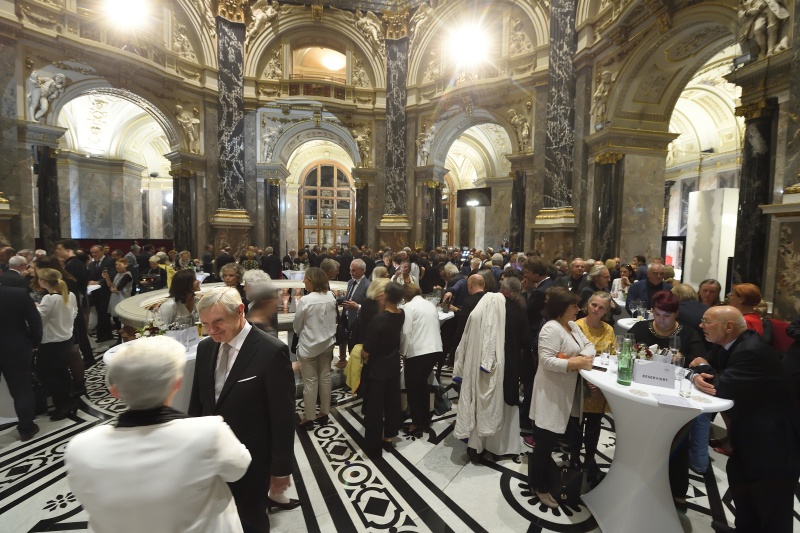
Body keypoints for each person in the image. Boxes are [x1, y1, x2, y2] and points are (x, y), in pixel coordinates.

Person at [65, 336, 251, 532]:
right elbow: (237, 470)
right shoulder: (208, 433)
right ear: (177, 384)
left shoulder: (80, 448)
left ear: (114, 391)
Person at [190, 287, 298, 532]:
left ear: (240, 311)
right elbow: (199, 402)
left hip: (251, 460)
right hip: (211, 457)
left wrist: (280, 469)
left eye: (218, 321)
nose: (212, 330)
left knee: (250, 520)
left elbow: (282, 417)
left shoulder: (271, 352)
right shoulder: (205, 348)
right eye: (206, 324)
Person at [693, 306, 800, 532]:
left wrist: (700, 369)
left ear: (728, 327)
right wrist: (698, 372)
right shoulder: (727, 344)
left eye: (706, 321)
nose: (701, 325)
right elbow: (701, 364)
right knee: (745, 497)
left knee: (771, 511)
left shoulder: (750, 350)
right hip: (750, 436)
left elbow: (719, 385)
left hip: (774, 445)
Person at [627, 290, 705, 510]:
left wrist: (684, 359)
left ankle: (678, 493)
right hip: (641, 393)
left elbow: (699, 360)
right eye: (658, 314)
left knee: (676, 441)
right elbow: (626, 349)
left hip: (673, 396)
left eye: (667, 316)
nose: (661, 320)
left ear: (676, 314)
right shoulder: (642, 328)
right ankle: (637, 483)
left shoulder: (687, 334)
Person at [528, 287, 595, 508]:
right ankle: (539, 486)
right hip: (550, 393)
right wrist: (574, 363)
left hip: (565, 392)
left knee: (552, 440)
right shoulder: (551, 329)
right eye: (574, 305)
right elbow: (546, 360)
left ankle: (543, 478)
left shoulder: (573, 326)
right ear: (563, 308)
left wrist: (577, 358)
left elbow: (589, 347)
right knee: (544, 443)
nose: (578, 309)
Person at [572, 291, 615, 485]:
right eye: (594, 305)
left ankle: (589, 460)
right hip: (577, 383)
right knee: (575, 426)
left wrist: (598, 381)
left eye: (601, 307)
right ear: (587, 305)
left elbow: (611, 358)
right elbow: (571, 355)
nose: (596, 310)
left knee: (594, 426)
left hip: (599, 387)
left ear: (607, 310)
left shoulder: (609, 330)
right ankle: (573, 459)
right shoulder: (576, 326)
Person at [360, 281, 405, 458]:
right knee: (392, 402)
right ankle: (389, 436)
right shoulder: (401, 314)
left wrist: (364, 354)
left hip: (378, 367)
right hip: (393, 364)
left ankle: (372, 445)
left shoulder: (379, 319)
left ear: (385, 295)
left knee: (374, 407)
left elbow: (366, 349)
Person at [293, 267, 337, 430]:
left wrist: (302, 332)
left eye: (306, 278)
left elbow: (297, 325)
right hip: (327, 343)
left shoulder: (306, 300)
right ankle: (324, 413)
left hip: (309, 345)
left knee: (310, 382)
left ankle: (309, 417)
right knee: (325, 378)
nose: (304, 281)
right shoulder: (330, 296)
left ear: (312, 281)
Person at [0, 285, 43, 441]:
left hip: (15, 346)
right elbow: (35, 321)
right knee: (22, 389)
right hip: (16, 347)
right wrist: (34, 342)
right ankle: (26, 429)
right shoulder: (17, 293)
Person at [35, 268, 79, 421]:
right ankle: (66, 400)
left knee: (45, 374)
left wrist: (35, 308)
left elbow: (38, 319)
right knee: (61, 372)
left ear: (43, 281)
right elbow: (74, 313)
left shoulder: (49, 298)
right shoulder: (70, 295)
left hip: (51, 342)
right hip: (66, 338)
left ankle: (64, 403)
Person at [399, 283, 442, 435]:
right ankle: (425, 418)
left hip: (418, 351)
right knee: (423, 384)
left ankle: (416, 423)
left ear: (405, 296)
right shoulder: (430, 304)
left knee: (412, 388)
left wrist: (403, 352)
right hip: (435, 349)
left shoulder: (408, 307)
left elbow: (405, 333)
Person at [87, 245, 115, 342]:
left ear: (102, 251)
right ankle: (105, 334)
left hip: (106, 291)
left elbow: (111, 274)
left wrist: (99, 282)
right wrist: (89, 281)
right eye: (92, 253)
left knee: (104, 313)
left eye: (96, 252)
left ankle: (103, 335)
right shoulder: (92, 264)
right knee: (100, 313)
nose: (94, 254)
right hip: (95, 292)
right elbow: (90, 276)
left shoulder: (110, 261)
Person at [104, 257, 133, 339]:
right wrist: (107, 278)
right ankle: (120, 337)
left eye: (119, 265)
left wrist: (113, 289)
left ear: (125, 265)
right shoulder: (118, 274)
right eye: (116, 265)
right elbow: (111, 286)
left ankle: (123, 337)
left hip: (122, 299)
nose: (117, 266)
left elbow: (117, 289)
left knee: (122, 321)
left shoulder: (127, 275)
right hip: (115, 299)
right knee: (116, 319)